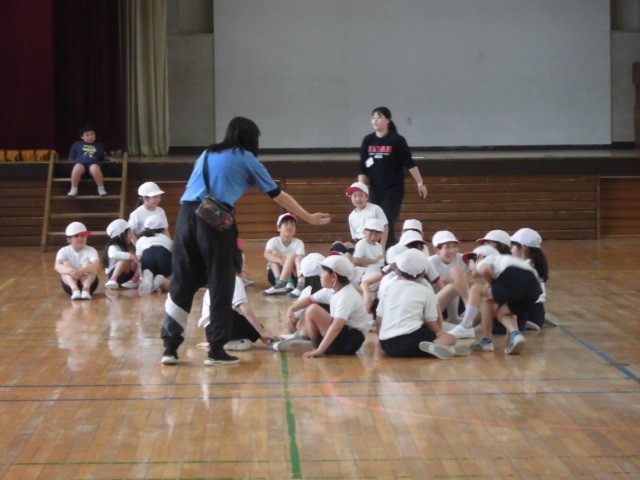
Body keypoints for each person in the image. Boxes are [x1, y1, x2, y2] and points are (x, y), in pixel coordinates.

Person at [160, 116, 330, 366]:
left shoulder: (206, 153)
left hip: (185, 218)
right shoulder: (246, 158)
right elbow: (278, 195)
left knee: (182, 281)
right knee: (221, 282)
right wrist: (309, 218)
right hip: (215, 219)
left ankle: (169, 348)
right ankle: (216, 350)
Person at [357, 106, 428, 247]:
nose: (375, 120)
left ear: (388, 120)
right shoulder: (368, 140)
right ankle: (379, 252)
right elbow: (362, 167)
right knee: (374, 223)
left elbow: (410, 163)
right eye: (373, 117)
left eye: (379, 117)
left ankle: (388, 252)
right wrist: (361, 189)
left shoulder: (397, 140)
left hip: (393, 190)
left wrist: (420, 183)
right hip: (374, 189)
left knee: (386, 222)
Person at [376, 249, 464, 359]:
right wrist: (440, 334)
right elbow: (432, 325)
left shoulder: (389, 288)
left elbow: (379, 321)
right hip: (411, 340)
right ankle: (436, 346)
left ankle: (439, 348)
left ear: (398, 270)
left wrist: (381, 342)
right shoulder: (425, 291)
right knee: (450, 338)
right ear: (423, 273)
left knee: (421, 335)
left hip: (387, 344)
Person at [274, 255, 369, 357]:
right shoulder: (332, 289)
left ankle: (318, 347)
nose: (320, 275)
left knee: (313, 310)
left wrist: (319, 351)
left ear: (333, 277)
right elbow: (310, 299)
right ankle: (314, 344)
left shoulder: (346, 295)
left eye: (323, 272)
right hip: (343, 334)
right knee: (311, 308)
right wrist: (292, 309)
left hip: (351, 340)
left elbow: (337, 326)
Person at [458, 245, 542, 355]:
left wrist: (491, 284)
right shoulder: (505, 263)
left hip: (518, 279)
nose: (469, 266)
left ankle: (468, 328)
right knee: (503, 313)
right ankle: (515, 335)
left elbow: (485, 270)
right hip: (534, 290)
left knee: (478, 290)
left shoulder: (486, 260)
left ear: (480, 257)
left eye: (470, 261)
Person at [197, 251, 279, 351]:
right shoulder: (234, 279)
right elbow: (244, 309)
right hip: (221, 327)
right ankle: (271, 341)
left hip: (212, 331)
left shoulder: (219, 279)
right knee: (255, 326)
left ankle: (217, 343)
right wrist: (262, 331)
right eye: (241, 263)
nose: (244, 266)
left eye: (245, 262)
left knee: (251, 326)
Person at [510, 228, 549, 329]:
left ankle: (525, 322)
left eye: (512, 246)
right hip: (537, 310)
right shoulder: (533, 264)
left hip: (529, 312)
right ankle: (538, 319)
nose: (511, 250)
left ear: (523, 249)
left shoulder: (525, 268)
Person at [67, 123, 118, 197]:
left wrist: (109, 158)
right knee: (77, 167)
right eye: (87, 135)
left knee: (94, 168)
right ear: (82, 137)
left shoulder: (98, 145)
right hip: (81, 166)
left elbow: (102, 156)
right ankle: (73, 189)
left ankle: (101, 188)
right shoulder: (77, 144)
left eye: (92, 134)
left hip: (93, 165)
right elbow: (71, 158)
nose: (90, 136)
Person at [262, 213, 306, 297]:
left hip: (294, 275)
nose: (289, 226)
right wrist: (280, 260)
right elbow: (266, 254)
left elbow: (300, 259)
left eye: (292, 225)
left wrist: (287, 262)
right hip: (274, 275)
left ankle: (297, 285)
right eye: (286, 224)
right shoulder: (273, 241)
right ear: (278, 228)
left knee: (293, 256)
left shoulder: (298, 242)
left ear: (295, 230)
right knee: (274, 253)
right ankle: (280, 283)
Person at [54, 222, 100, 300]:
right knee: (66, 264)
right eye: (76, 236)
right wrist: (71, 271)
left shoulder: (91, 250)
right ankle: (75, 289)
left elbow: (96, 265)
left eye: (83, 235)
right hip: (69, 285)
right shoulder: (64, 250)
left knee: (88, 263)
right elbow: (57, 266)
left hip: (90, 284)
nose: (80, 238)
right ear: (69, 239)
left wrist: (80, 271)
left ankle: (86, 289)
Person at [136, 214, 174, 295]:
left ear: (145, 228)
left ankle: (146, 278)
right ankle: (162, 280)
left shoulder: (141, 239)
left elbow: (139, 259)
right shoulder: (167, 239)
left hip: (148, 257)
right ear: (164, 229)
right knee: (173, 286)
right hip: (164, 257)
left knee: (144, 266)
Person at [346, 181, 388, 247]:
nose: (358, 199)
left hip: (375, 242)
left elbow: (385, 227)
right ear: (351, 198)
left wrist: (382, 247)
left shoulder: (375, 209)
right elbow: (355, 236)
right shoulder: (351, 216)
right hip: (360, 244)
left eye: (361, 195)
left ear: (367, 197)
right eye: (354, 196)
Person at [103, 219, 140, 289]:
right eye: (129, 232)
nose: (131, 235)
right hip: (116, 275)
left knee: (140, 257)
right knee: (126, 258)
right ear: (121, 235)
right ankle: (113, 280)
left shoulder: (124, 247)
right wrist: (131, 256)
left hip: (127, 276)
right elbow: (113, 254)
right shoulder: (112, 247)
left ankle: (135, 280)